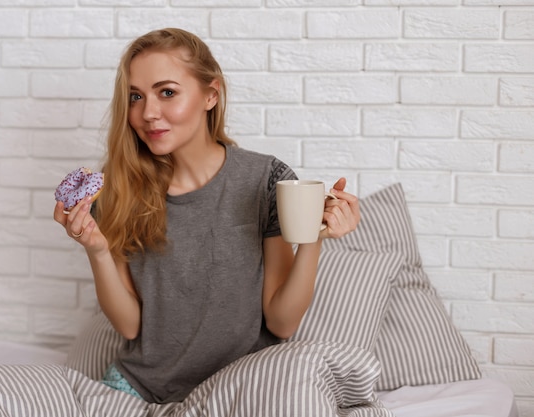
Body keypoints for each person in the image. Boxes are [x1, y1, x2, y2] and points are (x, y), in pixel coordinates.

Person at [54, 27, 360, 404]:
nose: (148, 113)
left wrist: (314, 235)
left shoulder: (266, 182)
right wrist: (97, 250)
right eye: (136, 96)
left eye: (167, 92)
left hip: (239, 393)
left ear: (210, 95)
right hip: (138, 391)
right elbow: (131, 326)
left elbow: (282, 322)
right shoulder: (116, 192)